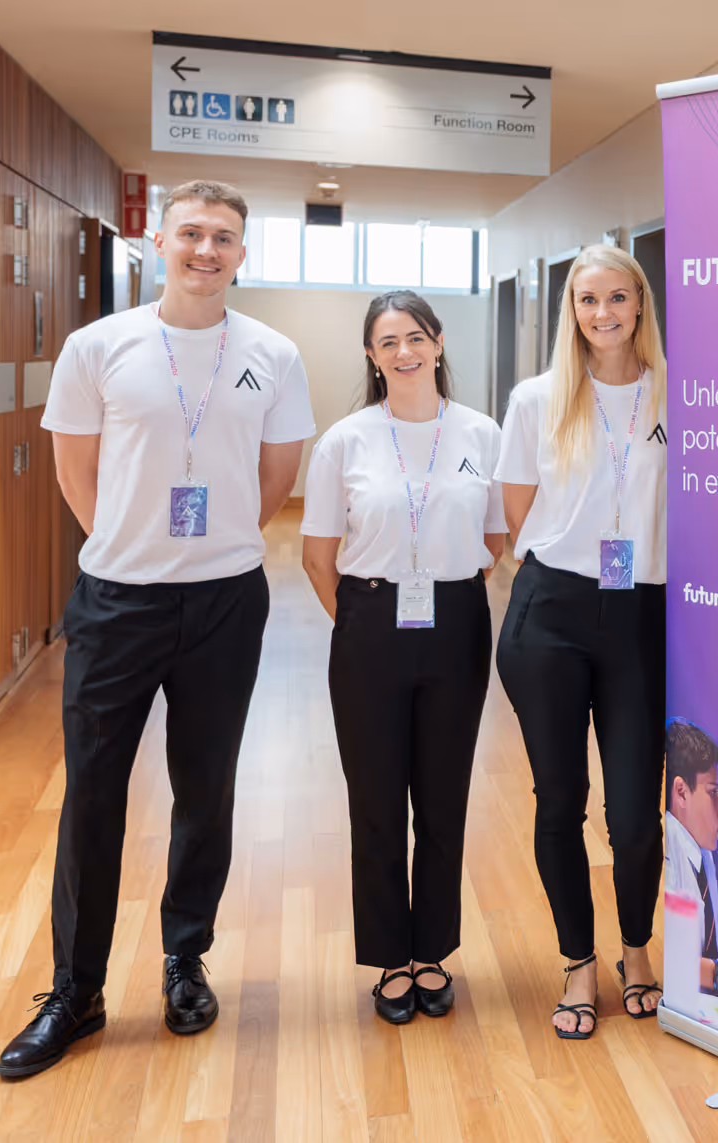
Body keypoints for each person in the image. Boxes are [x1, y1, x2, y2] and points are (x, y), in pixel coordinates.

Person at [0, 180, 314, 1078]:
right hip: (118, 599)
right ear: (155, 238)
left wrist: (214, 548)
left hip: (226, 601)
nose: (205, 250)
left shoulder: (273, 354)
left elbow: (276, 472)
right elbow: (75, 468)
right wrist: (131, 548)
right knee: (94, 793)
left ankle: (185, 958)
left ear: (242, 253)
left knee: (205, 788)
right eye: (190, 233)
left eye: (223, 237)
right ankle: (76, 990)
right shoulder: (99, 346)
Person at [300, 291, 505, 1024]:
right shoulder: (345, 440)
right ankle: (391, 954)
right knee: (378, 801)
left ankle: (432, 951)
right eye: (388, 342)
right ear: (371, 355)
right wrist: (364, 624)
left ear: (439, 343)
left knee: (444, 798)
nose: (404, 352)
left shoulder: (482, 432)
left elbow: (496, 540)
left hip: (454, 619)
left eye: (415, 337)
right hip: (369, 623)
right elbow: (317, 556)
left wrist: (442, 595)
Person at [495, 244, 669, 1039]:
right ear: (572, 309)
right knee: (559, 800)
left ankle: (636, 945)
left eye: (618, 298)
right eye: (587, 299)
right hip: (554, 613)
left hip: (642, 613)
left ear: (641, 304)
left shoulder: (679, 394)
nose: (603, 313)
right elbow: (520, 512)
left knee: (635, 813)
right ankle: (578, 961)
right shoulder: (537, 398)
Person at [662, 719, 718, 1000]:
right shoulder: (669, 858)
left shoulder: (702, 854)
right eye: (713, 794)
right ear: (681, 792)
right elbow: (666, 960)